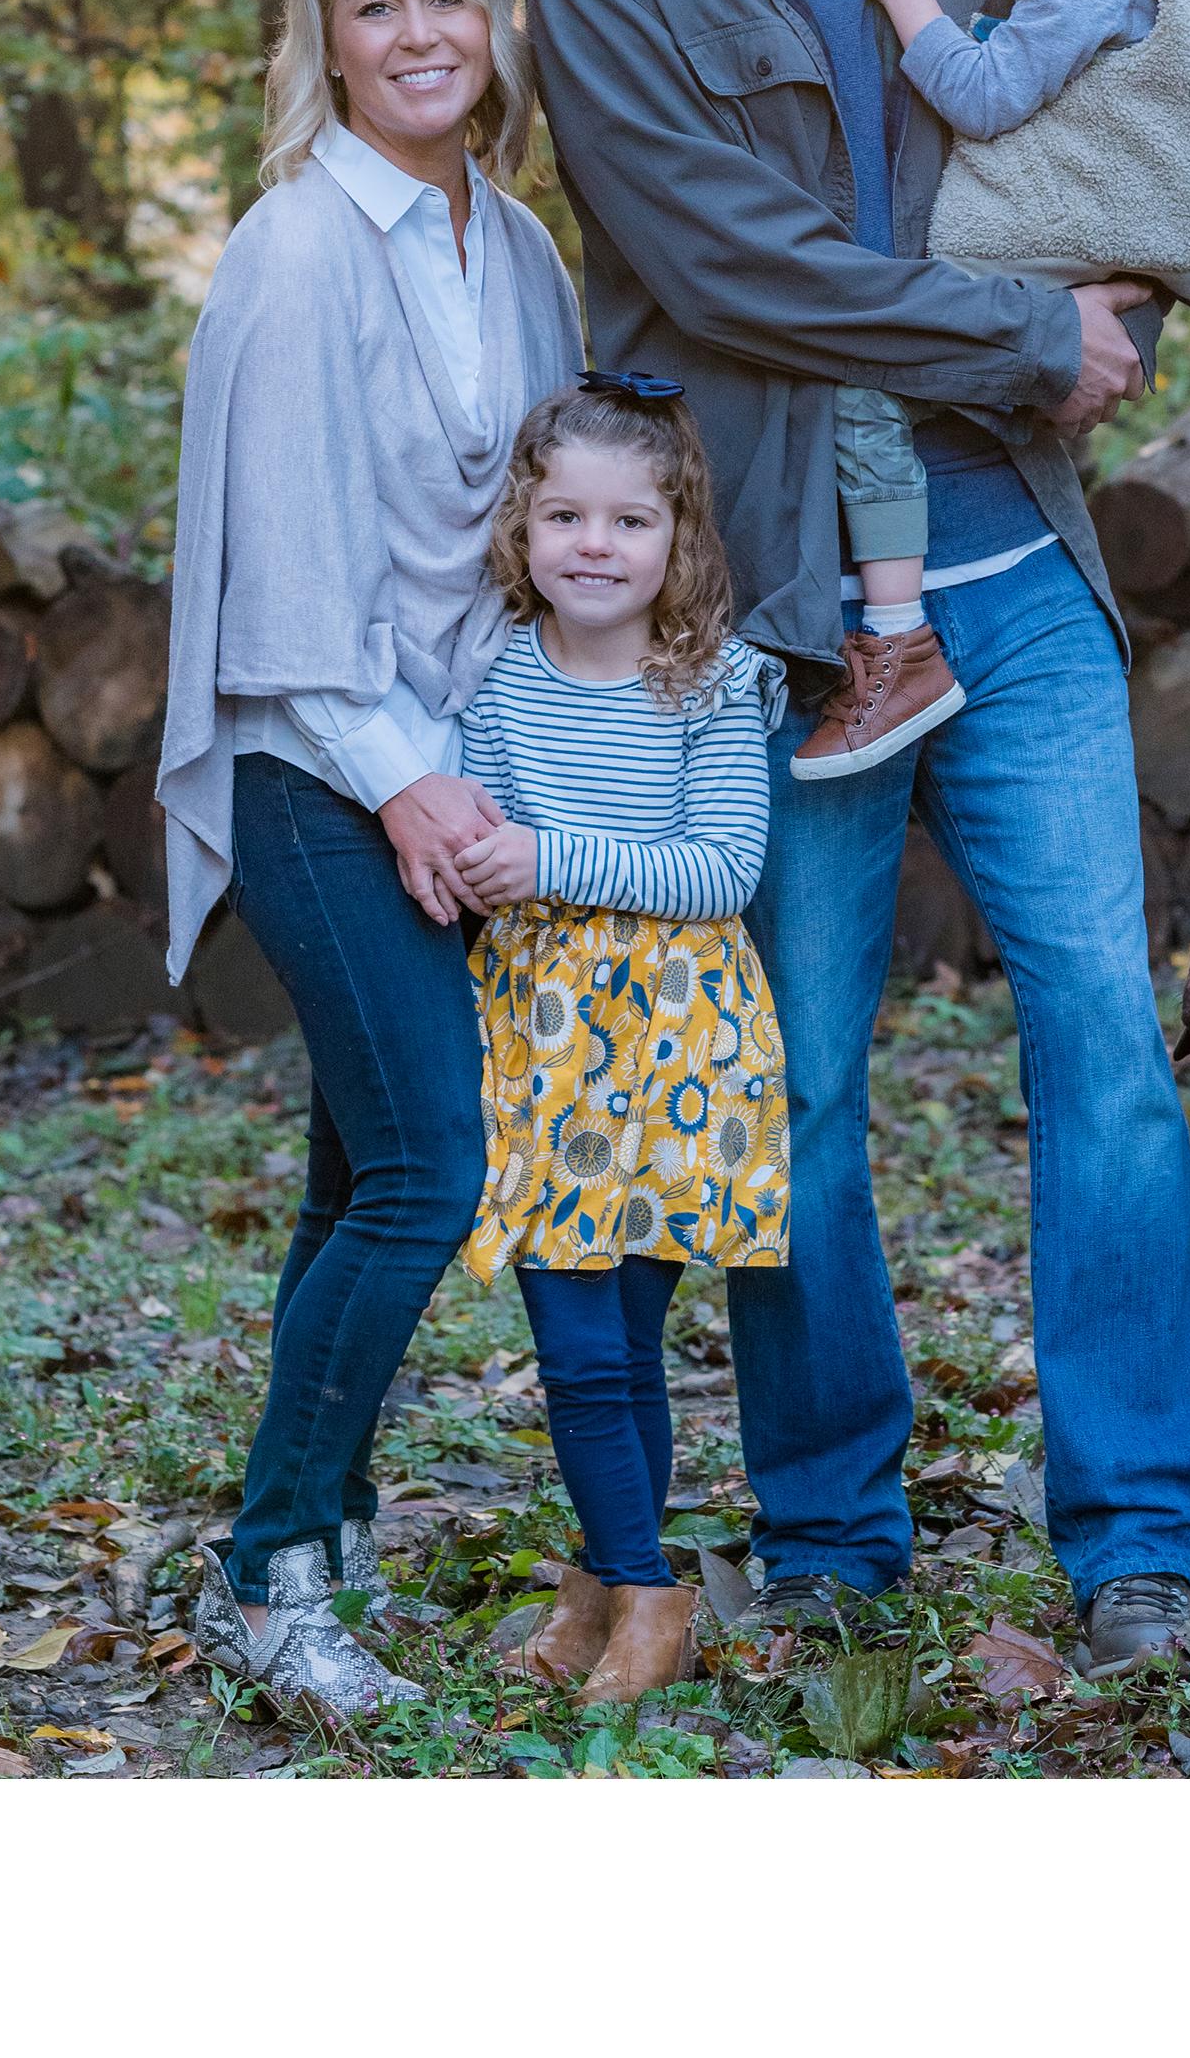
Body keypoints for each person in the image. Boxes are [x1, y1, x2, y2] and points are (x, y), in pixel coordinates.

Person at [527, 0, 1190, 1682]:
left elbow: (1137, 136)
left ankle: (1141, 1538)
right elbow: (732, 269)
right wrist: (1025, 333)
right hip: (786, 620)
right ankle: (832, 1533)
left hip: (1015, 578)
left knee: (1107, 1045)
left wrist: (1124, 314)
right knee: (802, 1082)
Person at [156, 0, 583, 1727]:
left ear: (495, 20)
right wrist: (414, 793)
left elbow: (534, 537)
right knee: (428, 1172)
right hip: (316, 763)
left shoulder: (522, 248)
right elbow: (288, 595)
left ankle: (318, 1527)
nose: (418, 35)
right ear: (324, 42)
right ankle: (271, 1577)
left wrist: (499, 776)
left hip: (453, 770)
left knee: (356, 1178)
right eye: (375, 5)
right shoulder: (298, 250)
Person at [805, 0, 1190, 776]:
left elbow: (985, 95)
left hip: (1045, 249)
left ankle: (896, 637)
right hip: (1090, 258)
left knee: (865, 379)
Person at [445, 375, 788, 1703]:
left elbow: (724, 869)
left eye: (630, 521)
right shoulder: (492, 681)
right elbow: (480, 841)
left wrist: (548, 860)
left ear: (677, 537)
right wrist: (493, 866)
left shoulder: (712, 684)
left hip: (676, 1051)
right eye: (565, 517)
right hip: (543, 1049)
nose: (595, 545)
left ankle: (618, 1591)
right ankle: (638, 1590)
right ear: (522, 530)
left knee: (624, 1346)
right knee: (580, 1347)